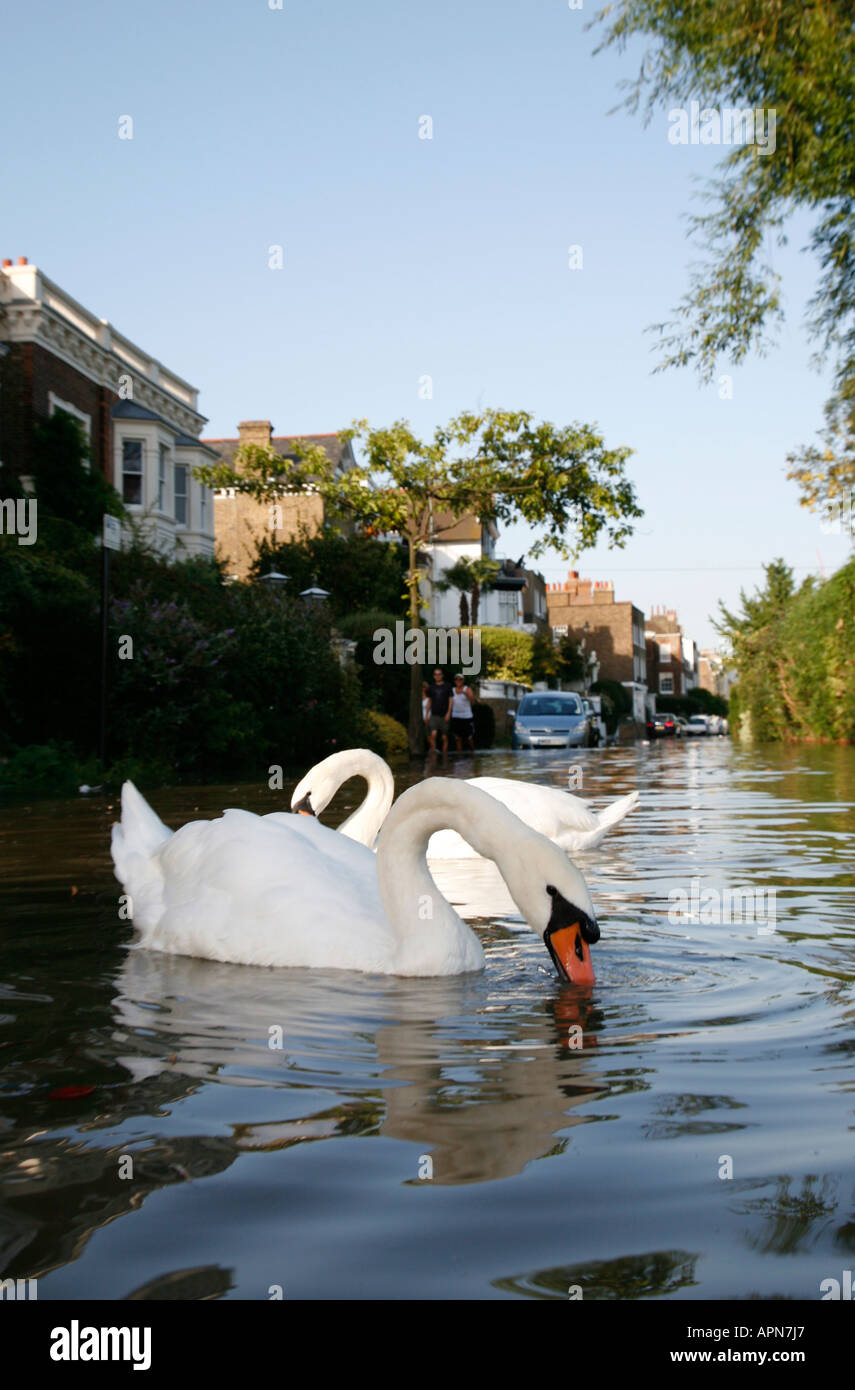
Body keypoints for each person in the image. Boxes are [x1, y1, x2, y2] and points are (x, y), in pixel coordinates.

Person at [425, 667, 453, 752]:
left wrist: (449, 713)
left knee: (444, 737)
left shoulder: (447, 686)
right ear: (434, 676)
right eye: (436, 674)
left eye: (439, 674)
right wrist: (426, 715)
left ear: (442, 675)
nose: (437, 676)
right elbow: (429, 701)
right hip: (434, 715)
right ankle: (434, 751)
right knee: (433, 734)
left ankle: (444, 755)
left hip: (444, 715)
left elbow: (451, 700)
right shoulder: (431, 687)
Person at [449, 674, 476, 752]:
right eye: (457, 679)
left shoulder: (467, 689)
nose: (458, 681)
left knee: (469, 738)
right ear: (454, 681)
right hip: (456, 716)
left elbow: (473, 701)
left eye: (460, 679)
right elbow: (450, 702)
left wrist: (466, 694)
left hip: (467, 717)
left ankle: (472, 754)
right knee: (458, 738)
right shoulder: (452, 690)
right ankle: (459, 758)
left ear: (463, 681)